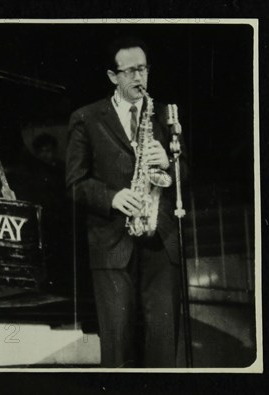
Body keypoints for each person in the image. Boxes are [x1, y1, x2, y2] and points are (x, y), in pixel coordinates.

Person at [65, 37, 187, 368]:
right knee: (117, 348)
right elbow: (75, 184)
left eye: (143, 69)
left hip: (161, 240)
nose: (139, 77)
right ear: (112, 76)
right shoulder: (86, 118)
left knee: (164, 346)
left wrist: (170, 164)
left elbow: (184, 173)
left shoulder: (164, 114)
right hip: (112, 242)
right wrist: (114, 197)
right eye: (130, 70)